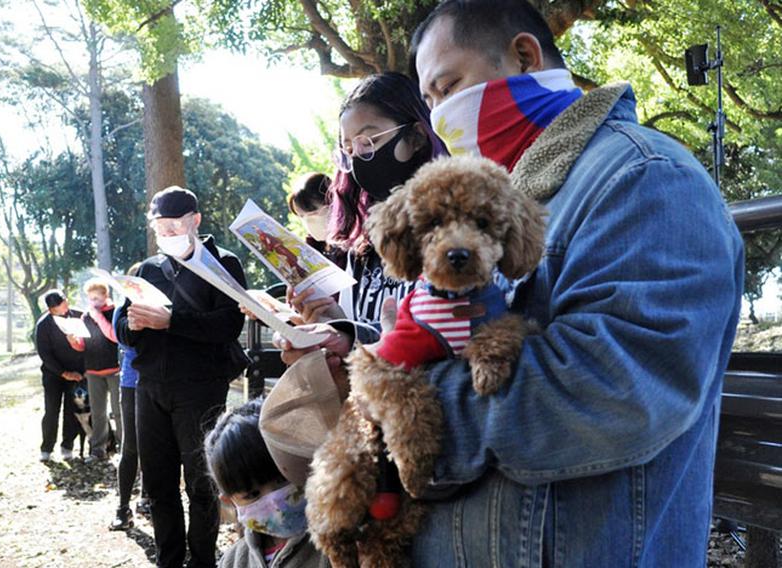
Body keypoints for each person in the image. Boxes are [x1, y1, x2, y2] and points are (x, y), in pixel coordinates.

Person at [284, 1, 744, 566]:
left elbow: (617, 388)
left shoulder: (643, 178)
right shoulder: (506, 195)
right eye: (428, 102)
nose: (439, 118)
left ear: (525, 56)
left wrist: (398, 412)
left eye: (447, 87)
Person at [115, 186, 248, 568]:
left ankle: (203, 559)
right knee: (157, 483)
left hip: (201, 387)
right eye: (161, 228)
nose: (168, 235)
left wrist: (172, 321)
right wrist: (135, 324)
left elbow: (227, 324)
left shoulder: (223, 263)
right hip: (150, 387)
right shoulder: (147, 270)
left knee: (200, 482)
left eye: (175, 226)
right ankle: (169, 558)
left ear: (195, 220)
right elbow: (122, 330)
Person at [288, 72, 447, 330]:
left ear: (416, 136)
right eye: (348, 150)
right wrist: (335, 322)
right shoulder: (362, 246)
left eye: (369, 142)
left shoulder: (456, 230)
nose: (359, 159)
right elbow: (362, 341)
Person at [204, 398, 329, 568]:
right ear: (230, 501)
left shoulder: (336, 548)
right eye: (253, 494)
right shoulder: (233, 561)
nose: (276, 501)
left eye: (282, 479)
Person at [109, 262, 145, 531]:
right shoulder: (123, 310)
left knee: (157, 450)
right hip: (133, 385)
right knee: (130, 447)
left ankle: (149, 497)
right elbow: (125, 339)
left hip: (162, 384)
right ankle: (123, 507)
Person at [71, 279, 121, 463]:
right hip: (93, 371)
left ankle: (125, 448)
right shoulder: (85, 317)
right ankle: (98, 449)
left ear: (106, 296)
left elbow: (113, 336)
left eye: (97, 298)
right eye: (90, 299)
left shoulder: (114, 312)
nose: (93, 302)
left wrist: (98, 315)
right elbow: (82, 345)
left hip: (114, 370)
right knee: (98, 412)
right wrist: (73, 339)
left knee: (118, 411)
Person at [35, 290, 85, 462]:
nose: (62, 310)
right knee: (51, 410)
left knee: (72, 410)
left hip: (77, 372)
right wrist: (63, 373)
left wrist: (78, 372)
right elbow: (44, 354)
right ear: (50, 310)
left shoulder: (79, 316)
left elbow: (88, 342)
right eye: (56, 309)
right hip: (53, 373)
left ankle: (67, 445)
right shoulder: (43, 324)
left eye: (63, 304)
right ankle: (46, 447)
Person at [287, 173, 339, 263]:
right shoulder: (311, 248)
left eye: (313, 214)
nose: (307, 221)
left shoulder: (352, 244)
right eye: (301, 216)